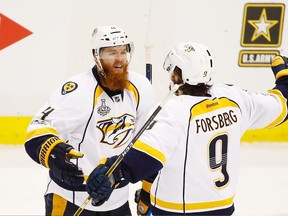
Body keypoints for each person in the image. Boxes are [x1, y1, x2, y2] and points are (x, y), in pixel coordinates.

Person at [84, 42, 288, 215]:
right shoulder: (235, 98)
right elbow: (281, 105)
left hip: (178, 210)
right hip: (224, 208)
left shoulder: (174, 112)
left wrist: (110, 172)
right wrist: (284, 78)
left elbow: (143, 160)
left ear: (176, 75)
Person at [24, 25, 156, 215]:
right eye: (112, 53)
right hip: (71, 198)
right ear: (96, 56)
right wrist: (54, 154)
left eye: (123, 51)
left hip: (118, 200)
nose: (119, 60)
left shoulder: (141, 88)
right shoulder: (77, 91)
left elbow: (149, 142)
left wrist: (147, 190)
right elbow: (36, 129)